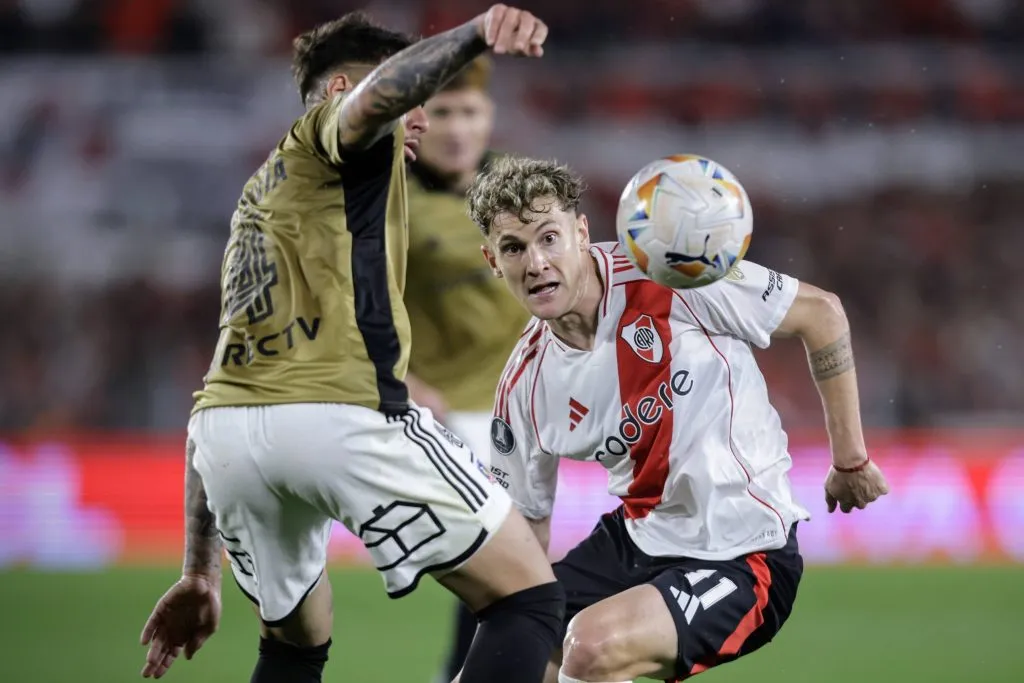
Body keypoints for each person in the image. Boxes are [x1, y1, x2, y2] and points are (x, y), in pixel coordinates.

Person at [138, 9, 565, 683]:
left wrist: (199, 569)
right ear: (341, 91)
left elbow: (218, 389)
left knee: (295, 645)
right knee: (530, 596)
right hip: (342, 416)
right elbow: (372, 103)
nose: (420, 116)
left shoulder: (261, 199)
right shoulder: (334, 133)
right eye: (415, 100)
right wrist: (479, 32)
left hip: (227, 443)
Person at [464, 156, 891, 683]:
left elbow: (821, 314)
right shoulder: (524, 387)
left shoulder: (672, 273)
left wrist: (849, 460)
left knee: (593, 648)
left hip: (744, 551)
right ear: (492, 260)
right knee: (497, 667)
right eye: (514, 248)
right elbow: (526, 529)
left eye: (549, 238)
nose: (535, 263)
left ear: (580, 232)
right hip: (638, 539)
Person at [397, 55, 533, 682]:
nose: (456, 128)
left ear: (490, 119)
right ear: (417, 124)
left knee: (515, 579)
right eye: (443, 113)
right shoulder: (390, 198)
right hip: (439, 415)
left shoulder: (519, 191)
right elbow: (346, 299)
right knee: (511, 572)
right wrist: (397, 380)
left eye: (470, 112)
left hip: (517, 413)